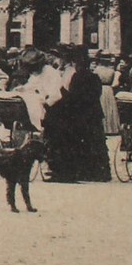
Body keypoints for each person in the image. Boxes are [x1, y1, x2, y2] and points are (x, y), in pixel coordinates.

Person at [42, 48, 111, 182]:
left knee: (77, 141)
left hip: (81, 114)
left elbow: (74, 97)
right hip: (92, 114)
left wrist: (59, 96)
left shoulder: (77, 77)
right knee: (93, 142)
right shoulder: (93, 76)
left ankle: (76, 171)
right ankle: (95, 172)